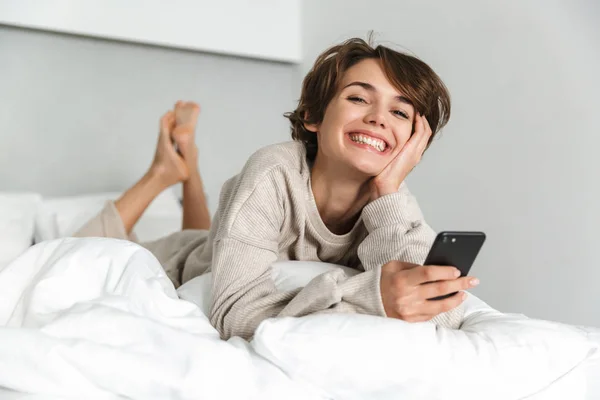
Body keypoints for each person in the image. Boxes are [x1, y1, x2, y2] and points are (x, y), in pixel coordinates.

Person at [75, 37, 480, 340]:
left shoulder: (394, 203)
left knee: (207, 237)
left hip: (212, 241)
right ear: (313, 117)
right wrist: (371, 297)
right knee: (79, 255)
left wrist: (390, 190)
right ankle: (164, 172)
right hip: (177, 261)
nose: (378, 118)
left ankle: (188, 170)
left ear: (414, 140)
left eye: (399, 112)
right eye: (359, 98)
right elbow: (234, 313)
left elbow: (441, 315)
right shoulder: (274, 171)